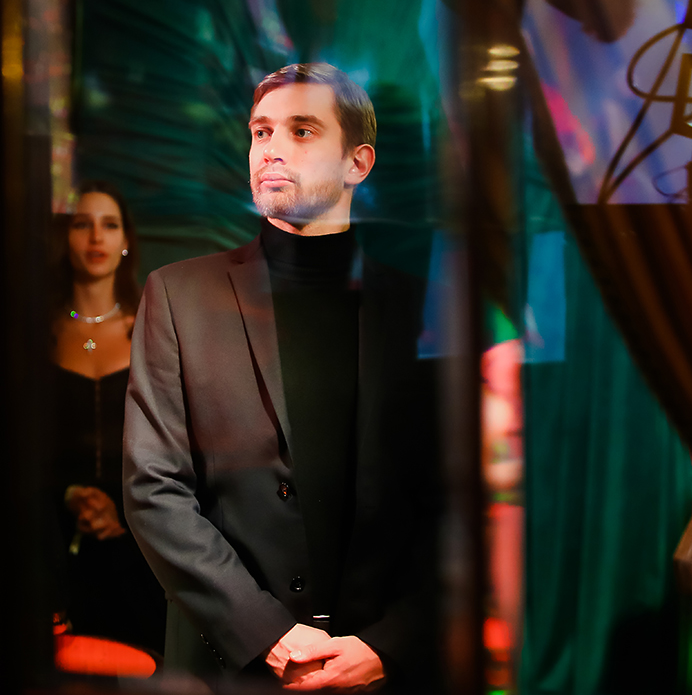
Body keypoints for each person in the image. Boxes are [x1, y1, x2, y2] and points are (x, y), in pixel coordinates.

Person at [123, 63, 439, 690]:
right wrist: (265, 632)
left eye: (301, 130)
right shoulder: (179, 295)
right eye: (261, 131)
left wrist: (391, 643)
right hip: (228, 669)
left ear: (358, 163)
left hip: (380, 670)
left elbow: (455, 500)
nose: (271, 149)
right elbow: (153, 488)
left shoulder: (423, 308)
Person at [50, 180, 164, 653]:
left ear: (125, 241)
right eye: (83, 224)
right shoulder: (37, 332)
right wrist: (67, 494)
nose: (96, 237)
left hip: (142, 548)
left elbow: (175, 446)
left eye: (109, 225)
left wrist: (125, 510)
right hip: (53, 543)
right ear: (65, 238)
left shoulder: (154, 328)